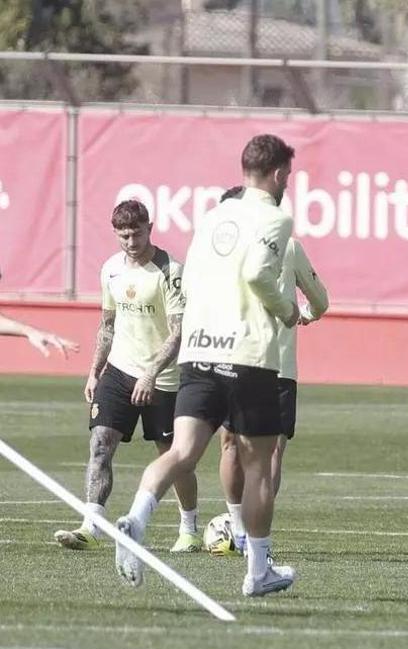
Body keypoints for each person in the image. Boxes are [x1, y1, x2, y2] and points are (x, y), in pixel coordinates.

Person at [113, 134, 301, 597]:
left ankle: (136, 518)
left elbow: (191, 279)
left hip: (199, 352)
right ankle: (258, 571)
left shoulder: (213, 217)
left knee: (181, 452)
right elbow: (258, 273)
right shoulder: (276, 217)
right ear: (279, 174)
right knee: (258, 466)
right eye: (288, 176)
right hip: (247, 355)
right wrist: (286, 309)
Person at [53, 200, 201, 552]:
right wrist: (94, 372)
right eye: (123, 236)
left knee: (174, 457)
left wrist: (150, 374)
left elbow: (178, 332)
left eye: (136, 234)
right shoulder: (111, 270)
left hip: (163, 380)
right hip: (119, 373)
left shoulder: (170, 271)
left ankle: (189, 530)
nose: (131, 242)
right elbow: (107, 325)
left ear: (150, 228)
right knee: (100, 444)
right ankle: (91, 527)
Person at [211, 185, 329, 555]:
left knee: (230, 443)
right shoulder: (288, 247)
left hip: (233, 358)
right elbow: (321, 300)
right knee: (271, 452)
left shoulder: (222, 250)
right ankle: (252, 534)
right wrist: (304, 314)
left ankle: (239, 528)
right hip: (278, 365)